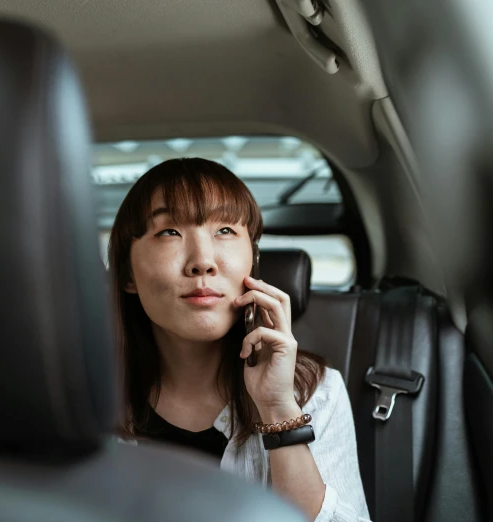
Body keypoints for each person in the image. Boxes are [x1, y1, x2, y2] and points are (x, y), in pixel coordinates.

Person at [108, 158, 370, 522]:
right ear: (128, 275)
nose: (202, 262)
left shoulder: (314, 391)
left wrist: (278, 409)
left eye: (225, 231)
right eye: (169, 232)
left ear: (253, 259)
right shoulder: (75, 399)